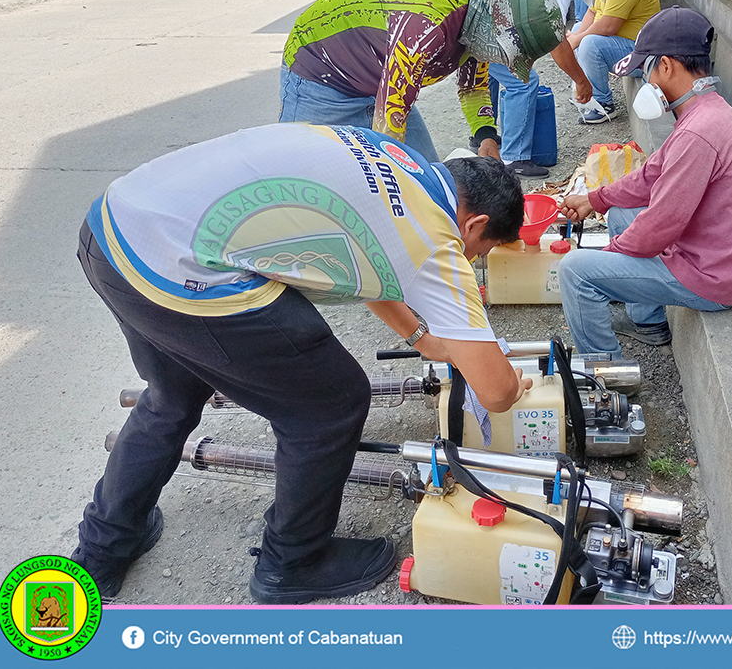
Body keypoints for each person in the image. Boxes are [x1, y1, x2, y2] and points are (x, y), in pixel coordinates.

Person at [70, 123, 534, 604]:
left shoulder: (395, 156)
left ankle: (104, 548)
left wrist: (421, 336)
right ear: (475, 224)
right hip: (181, 271)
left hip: (115, 230)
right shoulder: (436, 237)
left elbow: (367, 265)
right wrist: (512, 385)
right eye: (482, 251)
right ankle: (292, 564)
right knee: (329, 404)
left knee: (172, 395)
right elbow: (495, 393)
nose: (474, 258)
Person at [557, 7, 732, 360]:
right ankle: (647, 321)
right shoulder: (708, 110)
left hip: (713, 276)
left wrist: (606, 260)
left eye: (646, 69)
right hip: (722, 257)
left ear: (667, 66)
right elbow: (651, 175)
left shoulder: (697, 134)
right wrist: (596, 199)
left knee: (576, 272)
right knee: (620, 214)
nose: (646, 81)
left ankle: (605, 374)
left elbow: (661, 224)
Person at [280, 0, 565, 163]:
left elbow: (473, 88)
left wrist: (486, 137)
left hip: (383, 84)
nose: (504, 62)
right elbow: (389, 134)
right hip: (320, 74)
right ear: (499, 32)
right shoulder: (426, 24)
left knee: (427, 181)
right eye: (509, 56)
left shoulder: (481, 15)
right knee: (306, 184)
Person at [471, 0, 610, 177]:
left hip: (474, 3)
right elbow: (557, 44)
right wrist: (582, 81)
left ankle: (484, 136)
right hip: (482, 14)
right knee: (524, 82)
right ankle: (515, 159)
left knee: (488, 71)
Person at [568, 0, 661, 124]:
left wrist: (575, 41)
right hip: (625, 45)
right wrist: (574, 36)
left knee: (589, 43)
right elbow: (593, 12)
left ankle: (604, 105)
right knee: (577, 30)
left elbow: (609, 26)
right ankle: (589, 94)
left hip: (644, 56)